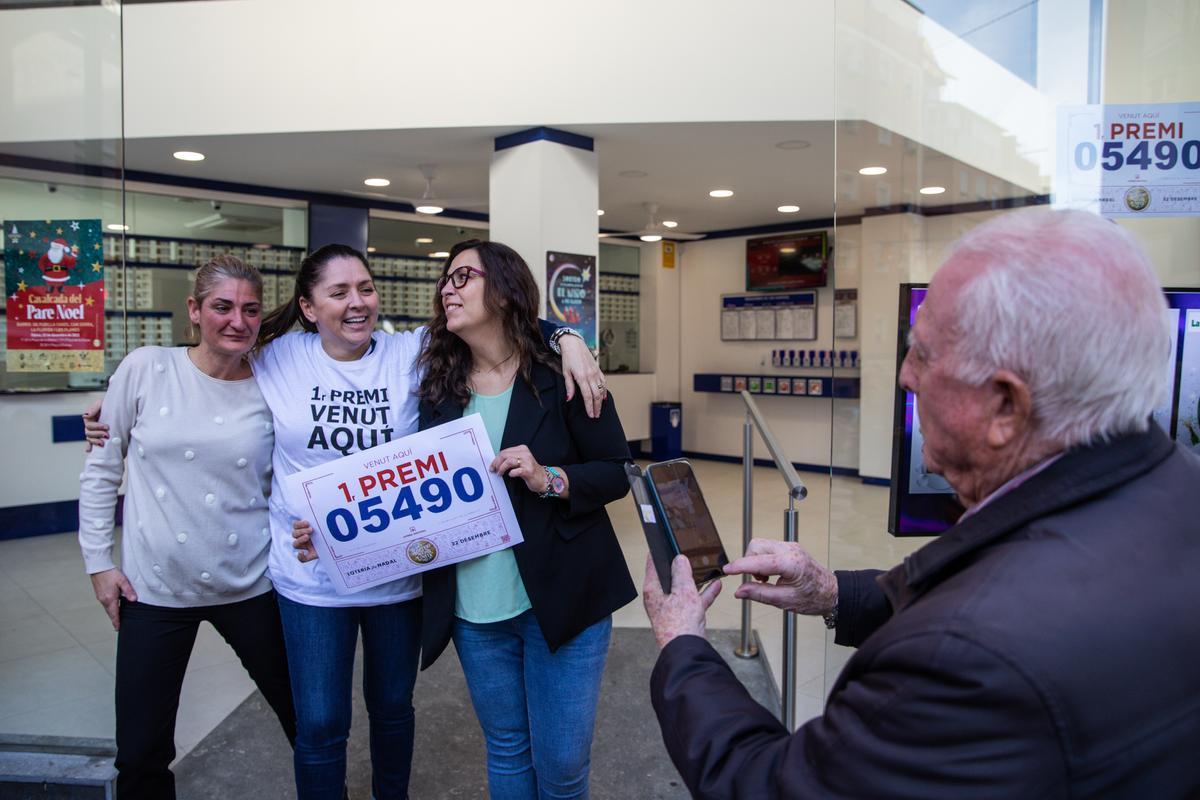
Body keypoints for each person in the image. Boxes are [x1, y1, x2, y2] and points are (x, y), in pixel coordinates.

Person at [642, 209, 1200, 798]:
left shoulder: (958, 663)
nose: (905, 376)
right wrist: (835, 593)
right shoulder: (1169, 489)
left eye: (924, 354)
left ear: (1006, 407)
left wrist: (683, 646)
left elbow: (768, 787)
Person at [87, 242, 606, 800]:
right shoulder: (276, 355)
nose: (356, 303)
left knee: (391, 711)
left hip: (397, 577)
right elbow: (206, 365)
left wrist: (568, 338)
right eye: (338, 293)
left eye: (365, 288)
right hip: (310, 581)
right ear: (309, 308)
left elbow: (498, 320)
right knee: (319, 726)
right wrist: (112, 405)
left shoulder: (413, 351)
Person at [294, 239, 636, 799]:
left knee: (563, 766)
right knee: (505, 751)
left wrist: (549, 476)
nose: (447, 289)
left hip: (564, 595)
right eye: (445, 280)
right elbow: (399, 486)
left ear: (502, 288)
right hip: (476, 608)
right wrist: (330, 528)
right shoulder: (436, 384)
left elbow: (616, 472)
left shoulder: (561, 374)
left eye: (462, 277)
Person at [78, 255, 296, 800]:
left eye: (250, 309)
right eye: (222, 307)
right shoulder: (147, 367)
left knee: (307, 721)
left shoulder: (274, 384)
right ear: (195, 311)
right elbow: (103, 471)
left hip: (252, 582)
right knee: (141, 750)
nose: (237, 321)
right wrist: (99, 563)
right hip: (153, 590)